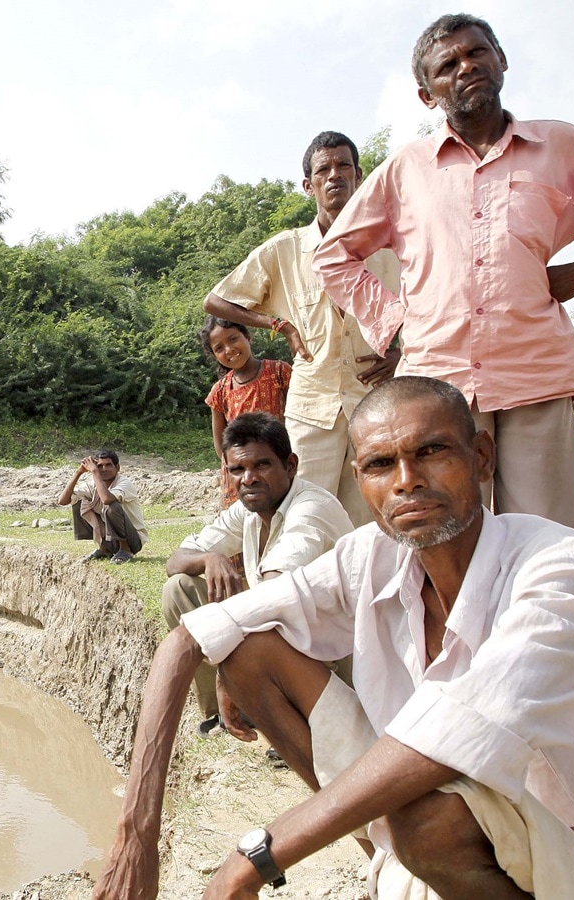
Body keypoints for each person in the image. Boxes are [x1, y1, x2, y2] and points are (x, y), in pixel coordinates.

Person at [92, 376, 574, 900]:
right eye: (382, 465)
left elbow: (453, 737)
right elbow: (188, 640)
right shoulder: (370, 555)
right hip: (458, 820)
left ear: (482, 457)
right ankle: (393, 868)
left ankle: (414, 861)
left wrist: (255, 858)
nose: (407, 481)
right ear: (361, 478)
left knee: (428, 817)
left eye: (432, 452)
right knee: (248, 652)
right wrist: (136, 833)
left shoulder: (561, 567)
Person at [312, 13, 574, 532]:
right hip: (437, 379)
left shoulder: (563, 148)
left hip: (534, 370)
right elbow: (334, 255)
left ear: (501, 60)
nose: (466, 67)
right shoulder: (406, 169)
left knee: (545, 536)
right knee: (444, 533)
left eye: (476, 53)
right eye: (447, 64)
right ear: (428, 94)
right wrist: (395, 324)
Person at [203, 131, 403, 526]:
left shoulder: (389, 246)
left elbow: (424, 303)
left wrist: (401, 352)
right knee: (302, 516)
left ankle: (358, 589)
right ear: (307, 185)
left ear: (359, 175)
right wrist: (279, 324)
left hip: (373, 401)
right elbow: (217, 301)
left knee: (368, 517)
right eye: (323, 169)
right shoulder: (286, 250)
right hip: (314, 408)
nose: (335, 176)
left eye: (344, 166)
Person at [161, 412, 352, 744]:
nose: (248, 478)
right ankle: (229, 713)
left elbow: (277, 592)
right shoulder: (247, 510)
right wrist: (209, 558)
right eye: (237, 469)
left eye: (262, 465)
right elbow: (175, 562)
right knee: (180, 588)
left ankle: (285, 717)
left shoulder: (311, 507)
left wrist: (227, 676)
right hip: (293, 633)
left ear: (290, 465)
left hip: (337, 649)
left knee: (264, 614)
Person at [199, 317, 293, 506]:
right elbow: (221, 446)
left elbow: (296, 420)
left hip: (276, 469)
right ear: (214, 355)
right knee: (244, 529)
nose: (229, 350)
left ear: (248, 337)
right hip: (241, 478)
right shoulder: (220, 391)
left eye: (233, 339)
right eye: (219, 348)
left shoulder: (279, 372)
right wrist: (240, 468)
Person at [57, 449, 148, 563]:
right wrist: (78, 472)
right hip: (112, 540)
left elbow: (106, 499)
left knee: (112, 506)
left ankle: (125, 550)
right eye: (100, 466)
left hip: (133, 540)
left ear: (117, 467)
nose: (104, 469)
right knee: (78, 502)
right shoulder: (93, 485)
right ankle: (104, 549)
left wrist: (95, 472)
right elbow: (62, 500)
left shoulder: (124, 483)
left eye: (108, 465)